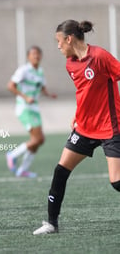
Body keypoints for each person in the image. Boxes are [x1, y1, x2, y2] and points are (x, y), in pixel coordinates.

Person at [33, 20, 120, 235]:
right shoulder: (70, 64)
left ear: (69, 39)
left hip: (110, 127)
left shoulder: (100, 56)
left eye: (59, 42)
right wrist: (77, 115)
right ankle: (52, 223)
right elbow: (85, 92)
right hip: (84, 128)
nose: (58, 46)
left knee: (117, 182)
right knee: (60, 171)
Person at [6, 46, 57, 178]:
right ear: (28, 56)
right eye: (33, 54)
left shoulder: (40, 71)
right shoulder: (23, 70)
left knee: (39, 140)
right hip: (24, 108)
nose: (36, 56)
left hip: (34, 109)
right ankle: (12, 155)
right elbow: (10, 86)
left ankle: (22, 170)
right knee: (38, 139)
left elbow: (42, 88)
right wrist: (25, 97)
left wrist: (49, 94)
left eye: (38, 54)